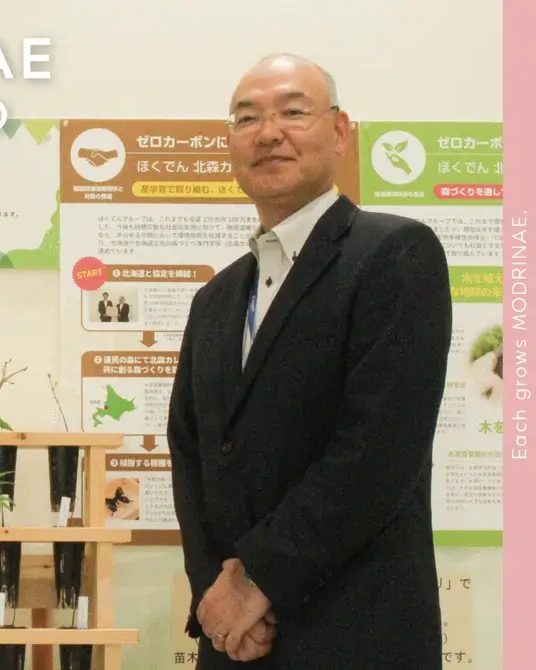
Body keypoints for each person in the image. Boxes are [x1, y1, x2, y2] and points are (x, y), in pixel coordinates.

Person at [167, 53, 451, 669]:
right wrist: (215, 595)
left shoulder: (394, 254)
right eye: (247, 118)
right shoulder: (215, 298)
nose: (269, 132)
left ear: (340, 131)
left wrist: (255, 581)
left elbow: (377, 450)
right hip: (236, 642)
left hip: (355, 633)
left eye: (294, 112)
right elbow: (191, 456)